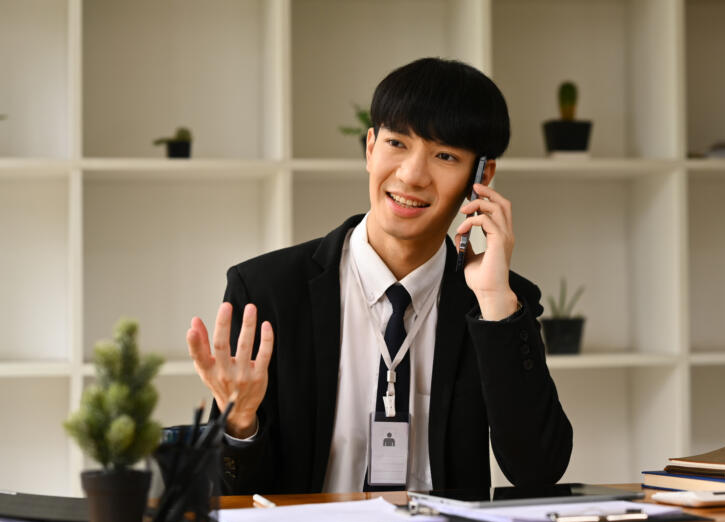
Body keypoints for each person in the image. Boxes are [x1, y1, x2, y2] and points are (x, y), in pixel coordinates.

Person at [186, 57, 572, 495]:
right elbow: (236, 500)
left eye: (445, 155)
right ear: (370, 149)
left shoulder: (497, 302)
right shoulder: (268, 291)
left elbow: (537, 471)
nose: (411, 175)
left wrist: (495, 304)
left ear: (480, 176)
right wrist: (239, 423)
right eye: (396, 143)